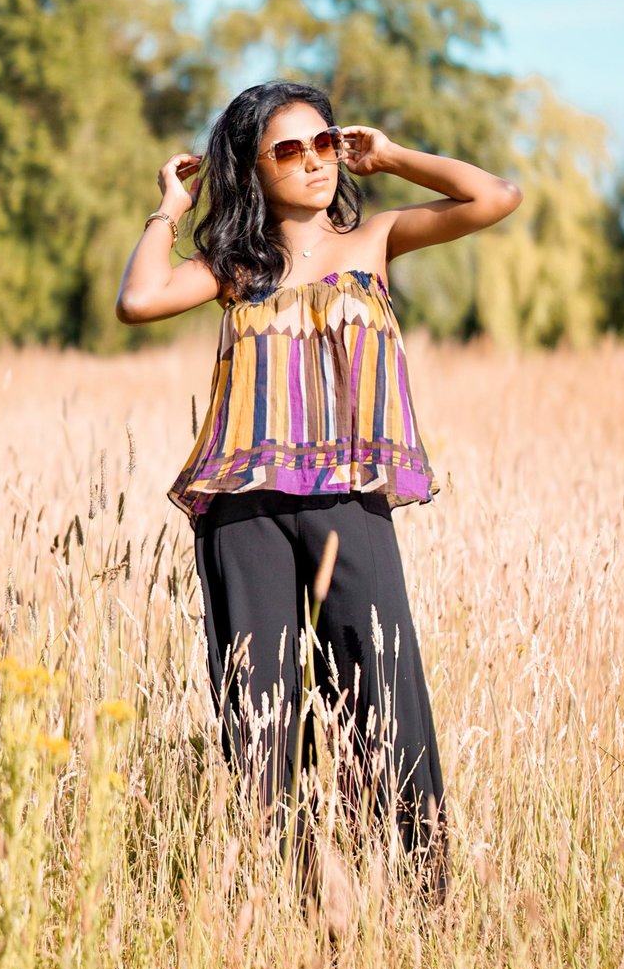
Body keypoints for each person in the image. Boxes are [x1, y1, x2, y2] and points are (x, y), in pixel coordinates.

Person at [116, 81, 522, 913]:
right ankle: (314, 887)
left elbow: (496, 196)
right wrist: (169, 207)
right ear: (254, 172)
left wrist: (396, 155)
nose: (313, 162)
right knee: (257, 710)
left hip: (347, 499)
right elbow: (138, 300)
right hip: (244, 508)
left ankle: (426, 899)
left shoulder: (374, 240)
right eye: (289, 151)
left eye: (325, 143)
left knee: (387, 691)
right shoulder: (236, 267)